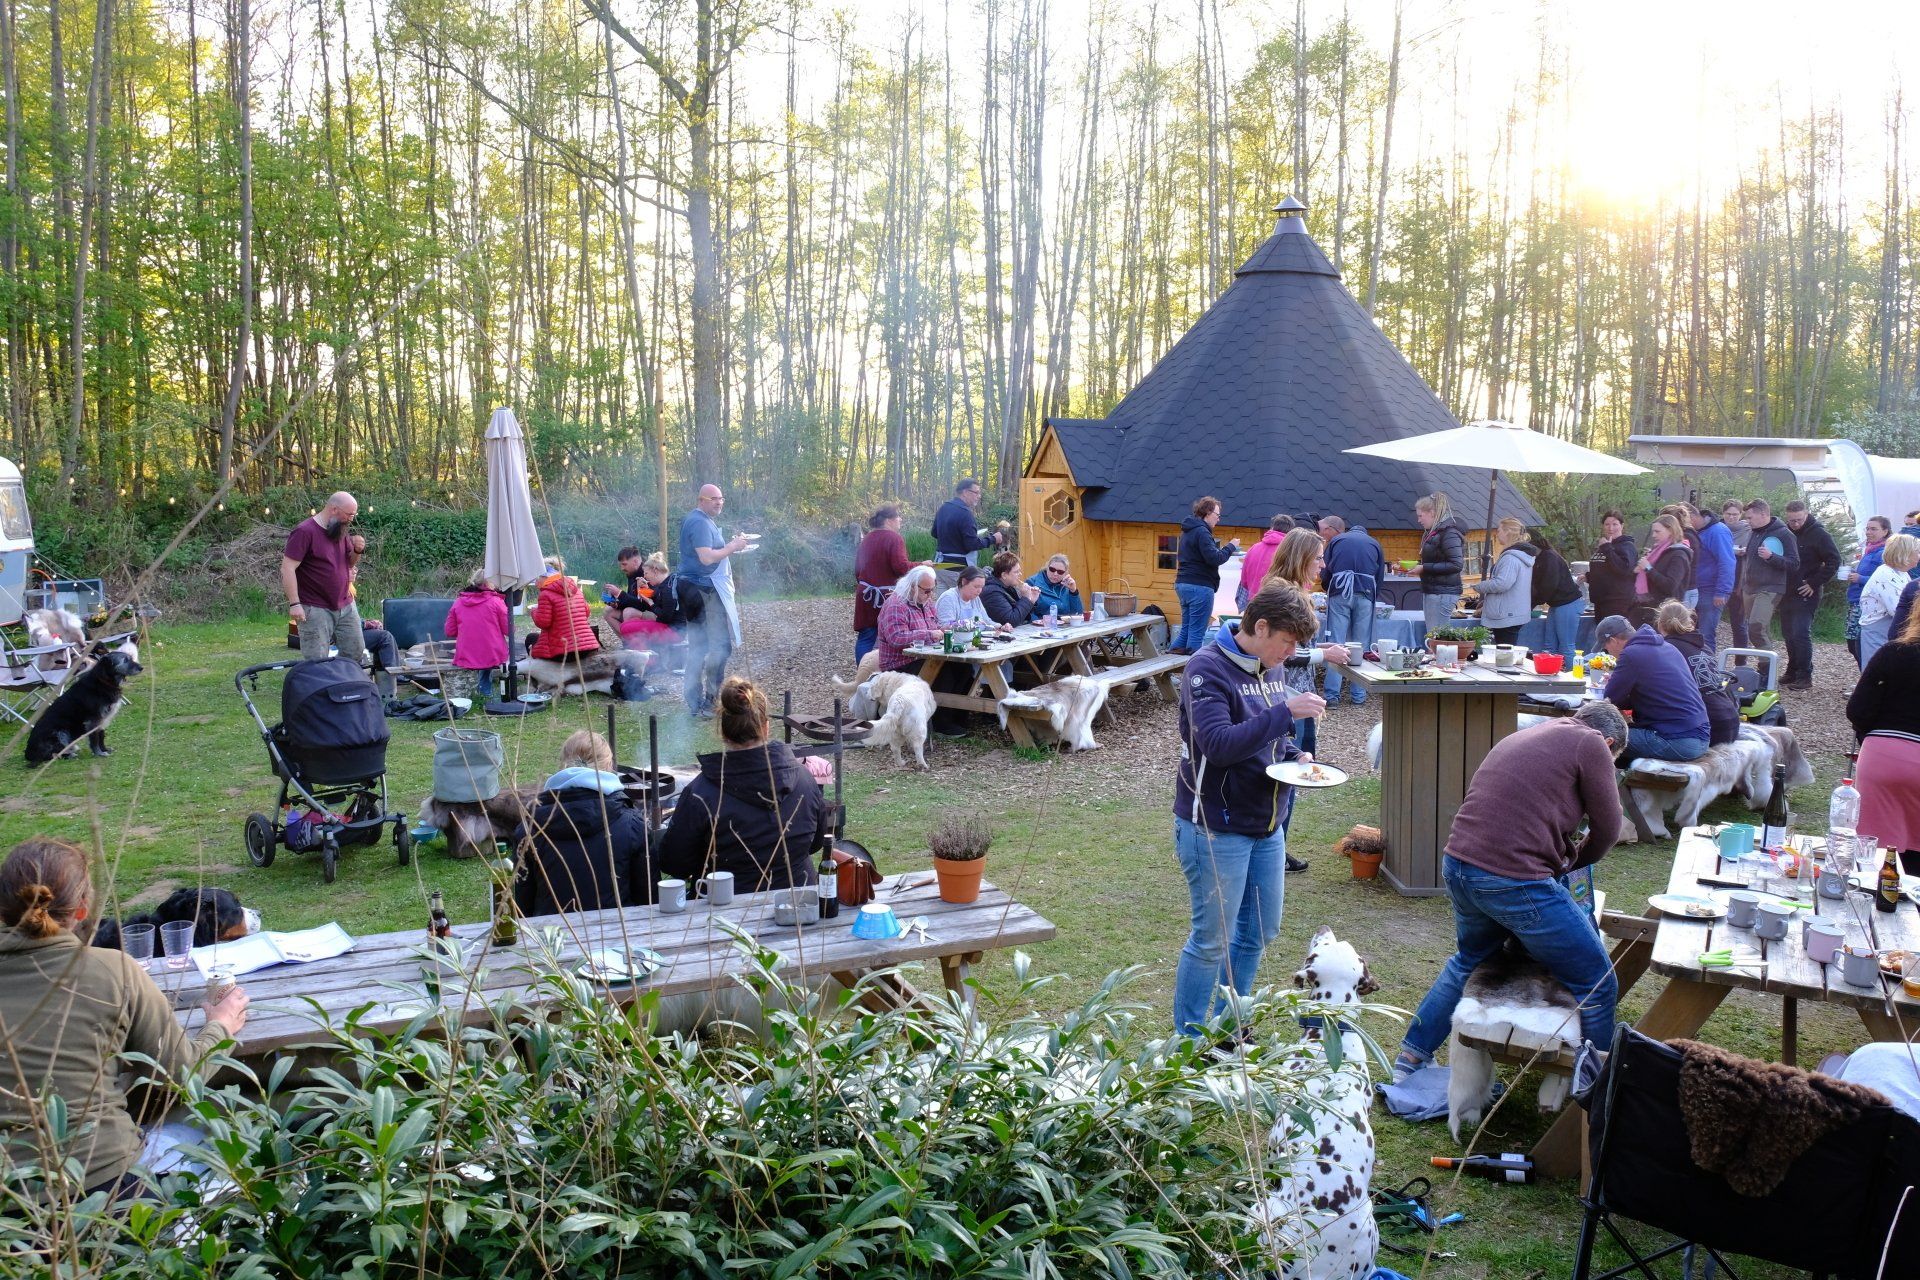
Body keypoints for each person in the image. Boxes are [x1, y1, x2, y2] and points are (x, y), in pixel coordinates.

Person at [0, 836, 251, 1198]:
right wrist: (221, 1025)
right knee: (218, 1143)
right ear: (83, 909)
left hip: (11, 1203)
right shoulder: (113, 970)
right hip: (108, 1187)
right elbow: (184, 1076)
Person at [1390, 701, 1628, 1080]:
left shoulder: (1532, 733)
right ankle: (1597, 1090)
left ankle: (1411, 1058)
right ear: (1610, 742)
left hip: (1459, 864)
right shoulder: (1593, 743)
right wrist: (1573, 864)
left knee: (1470, 961)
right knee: (1597, 983)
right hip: (1513, 879)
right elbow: (1609, 829)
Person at [1171, 583, 1324, 1038]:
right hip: (1215, 826)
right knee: (1211, 939)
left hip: (1267, 824)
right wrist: (1286, 714)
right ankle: (1190, 1042)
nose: (1291, 652)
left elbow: (1267, 735)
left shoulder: (1268, 666)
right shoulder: (1206, 668)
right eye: (1288, 641)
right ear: (1260, 627)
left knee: (1259, 931)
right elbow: (1218, 745)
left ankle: (1227, 1026)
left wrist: (1295, 753)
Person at [658, 678, 829, 893]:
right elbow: (815, 843)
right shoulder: (805, 779)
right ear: (766, 728)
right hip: (798, 899)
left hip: (724, 905)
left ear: (723, 733)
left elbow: (675, 864)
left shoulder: (700, 793)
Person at [1262, 529, 1351, 867]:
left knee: (1294, 772)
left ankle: (1276, 849)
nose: (1322, 564)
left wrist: (1321, 648)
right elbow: (1280, 652)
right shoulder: (1281, 593)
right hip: (1285, 696)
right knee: (1286, 772)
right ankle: (1273, 852)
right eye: (1318, 558)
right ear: (1300, 558)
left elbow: (1297, 646)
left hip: (1298, 694)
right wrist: (1323, 656)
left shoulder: (1293, 590)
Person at [513, 731, 653, 915]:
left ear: (563, 764)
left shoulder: (528, 830)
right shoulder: (633, 825)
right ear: (609, 766)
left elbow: (523, 906)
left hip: (552, 931)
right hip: (619, 930)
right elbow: (650, 900)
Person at [1847, 605, 1920, 876]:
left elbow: (1858, 710)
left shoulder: (1894, 652)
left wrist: (1873, 737)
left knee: (1873, 856)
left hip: (1884, 756)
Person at [1593, 613, 1710, 764]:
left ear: (1614, 641)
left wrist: (1616, 684)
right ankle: (1625, 777)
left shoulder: (1630, 654)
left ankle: (1610, 779)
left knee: (1596, 738)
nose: (1607, 652)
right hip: (1701, 735)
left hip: (1678, 740)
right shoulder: (1667, 647)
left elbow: (1609, 700)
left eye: (1605, 648)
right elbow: (1655, 694)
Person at [678, 483, 752, 717]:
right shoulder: (699, 522)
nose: (719, 502)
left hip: (697, 588)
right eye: (714, 499)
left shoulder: (701, 520)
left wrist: (732, 546)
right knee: (718, 647)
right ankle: (707, 702)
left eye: (721, 498)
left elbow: (711, 551)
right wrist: (732, 546)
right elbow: (707, 558)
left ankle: (696, 701)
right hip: (702, 590)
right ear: (701, 500)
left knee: (699, 646)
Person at [877, 565, 970, 736]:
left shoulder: (925, 602)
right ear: (913, 586)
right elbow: (896, 638)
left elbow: (935, 625)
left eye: (932, 590)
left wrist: (945, 629)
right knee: (944, 673)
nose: (930, 595)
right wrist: (928, 634)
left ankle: (957, 717)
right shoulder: (896, 605)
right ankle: (941, 723)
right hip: (899, 663)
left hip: (925, 656)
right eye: (926, 591)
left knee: (964, 668)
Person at [281, 490, 366, 665]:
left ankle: (345, 681)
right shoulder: (304, 531)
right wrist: (295, 604)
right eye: (349, 514)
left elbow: (349, 563)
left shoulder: (339, 529)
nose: (351, 519)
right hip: (315, 607)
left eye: (354, 515)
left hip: (345, 604)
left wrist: (357, 550)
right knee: (317, 660)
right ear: (334, 509)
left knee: (355, 651)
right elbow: (287, 568)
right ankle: (321, 682)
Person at [1318, 516, 1384, 705]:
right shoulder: (1375, 543)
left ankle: (1332, 696)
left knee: (1335, 643)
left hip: (1340, 592)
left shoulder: (1337, 541)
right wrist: (1373, 595)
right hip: (1366, 592)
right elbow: (1380, 576)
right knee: (1361, 645)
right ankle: (1358, 695)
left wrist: (1328, 588)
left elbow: (1325, 569)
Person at [1654, 601, 1741, 747]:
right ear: (1690, 622)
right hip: (1731, 721)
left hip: (1706, 727)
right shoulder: (1704, 647)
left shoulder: (1664, 650)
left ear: (1659, 625)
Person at [1780, 500, 1840, 691]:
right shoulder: (1786, 532)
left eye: (1799, 519)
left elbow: (1834, 560)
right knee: (1788, 633)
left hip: (1807, 590)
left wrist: (1815, 582)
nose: (1795, 524)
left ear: (1806, 514)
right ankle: (1792, 669)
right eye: (1792, 520)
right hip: (1786, 590)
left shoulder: (1819, 534)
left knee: (1800, 632)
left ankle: (1804, 675)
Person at [1173, 496, 1239, 653]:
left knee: (1185, 631)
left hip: (1183, 584)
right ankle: (1193, 668)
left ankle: (1167, 664)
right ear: (1208, 513)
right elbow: (1215, 558)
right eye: (1217, 515)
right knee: (1197, 635)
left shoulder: (1188, 530)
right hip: (1199, 587)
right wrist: (1231, 546)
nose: (1218, 519)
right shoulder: (1202, 532)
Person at [853, 505, 913, 663]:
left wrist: (867, 584)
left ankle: (863, 673)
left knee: (866, 636)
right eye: (898, 516)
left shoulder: (867, 538)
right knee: (890, 634)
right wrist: (922, 566)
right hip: (886, 596)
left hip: (865, 594)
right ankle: (890, 667)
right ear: (888, 520)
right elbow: (901, 567)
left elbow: (857, 569)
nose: (900, 519)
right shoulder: (894, 538)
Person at [606, 549, 696, 652]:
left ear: (655, 571)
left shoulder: (668, 588)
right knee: (626, 625)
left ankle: (648, 657)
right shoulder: (664, 584)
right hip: (667, 625)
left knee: (626, 628)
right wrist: (648, 593)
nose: (644, 577)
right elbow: (658, 601)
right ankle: (643, 653)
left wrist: (651, 603)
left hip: (674, 631)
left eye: (646, 573)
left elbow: (665, 618)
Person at [1741, 498, 1800, 655]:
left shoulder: (1784, 534)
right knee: (1760, 630)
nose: (1747, 521)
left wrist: (1771, 557)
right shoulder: (1753, 532)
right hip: (1749, 587)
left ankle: (1767, 665)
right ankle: (1767, 664)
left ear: (1763, 514)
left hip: (1770, 587)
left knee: (1756, 627)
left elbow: (1794, 563)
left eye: (1750, 517)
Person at [1465, 518, 1536, 646]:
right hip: (1513, 611)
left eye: (1499, 531)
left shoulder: (1510, 558)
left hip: (1506, 614)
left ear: (1508, 532)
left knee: (1504, 653)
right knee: (1506, 651)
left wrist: (1480, 586)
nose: (1497, 534)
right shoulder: (1521, 556)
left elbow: (1502, 584)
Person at [444, 569, 510, 698]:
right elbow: (509, 630)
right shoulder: (496, 602)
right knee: (490, 657)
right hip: (492, 653)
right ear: (489, 583)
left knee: (481, 660)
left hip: (466, 654)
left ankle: (477, 694)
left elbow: (449, 631)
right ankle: (486, 694)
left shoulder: (458, 602)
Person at [1859, 534, 1920, 671]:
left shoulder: (1902, 573)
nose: (1919, 556)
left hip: (1888, 628)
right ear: (1905, 553)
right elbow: (1898, 609)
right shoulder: (1886, 575)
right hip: (1878, 630)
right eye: (1917, 552)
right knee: (1876, 670)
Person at [930, 478, 1003, 589]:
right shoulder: (966, 513)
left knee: (943, 600)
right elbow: (972, 544)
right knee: (963, 600)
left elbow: (934, 533)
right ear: (965, 492)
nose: (979, 496)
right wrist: (993, 539)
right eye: (976, 492)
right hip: (958, 571)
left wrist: (953, 538)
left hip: (940, 567)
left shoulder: (943, 508)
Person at [528, 555, 600, 662]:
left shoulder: (545, 594)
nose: (535, 582)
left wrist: (534, 611)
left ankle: (539, 671)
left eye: (536, 578)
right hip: (587, 647)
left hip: (564, 652)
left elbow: (543, 623)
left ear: (545, 576)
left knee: (530, 638)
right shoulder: (576, 590)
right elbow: (587, 612)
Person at [1529, 529, 1585, 663]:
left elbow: (1549, 585)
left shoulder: (1549, 557)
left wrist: (1532, 603)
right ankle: (1551, 673)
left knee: (1566, 647)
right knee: (1549, 647)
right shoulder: (1538, 558)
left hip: (1568, 603)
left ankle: (1573, 675)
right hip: (1556, 605)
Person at [1415, 492, 1469, 630]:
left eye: (1420, 516)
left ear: (1431, 513)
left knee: (1436, 634)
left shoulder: (1449, 533)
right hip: (1435, 591)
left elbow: (1456, 564)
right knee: (1434, 634)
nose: (1419, 520)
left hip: (1442, 593)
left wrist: (1424, 568)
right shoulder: (1437, 532)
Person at [1629, 514, 1693, 627]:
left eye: (1657, 532)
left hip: (1664, 613)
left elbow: (1670, 586)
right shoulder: (1657, 552)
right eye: (1653, 531)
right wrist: (1637, 571)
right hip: (1644, 607)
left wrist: (1648, 568)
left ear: (1671, 531)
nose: (1653, 535)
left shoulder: (1679, 555)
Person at [1845, 515, 1892, 667]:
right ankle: (1866, 675)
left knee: (1859, 644)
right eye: (1867, 528)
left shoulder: (1884, 553)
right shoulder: (1870, 549)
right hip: (1856, 600)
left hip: (1867, 604)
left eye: (1873, 529)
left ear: (1885, 531)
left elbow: (1883, 580)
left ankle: (1869, 675)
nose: (1868, 532)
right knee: (1853, 643)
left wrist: (1860, 578)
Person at [1689, 504, 1736, 653]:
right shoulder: (1697, 531)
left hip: (1710, 590)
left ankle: (1708, 666)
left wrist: (1722, 591)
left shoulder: (1718, 531)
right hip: (1696, 589)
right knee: (1692, 635)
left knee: (1706, 635)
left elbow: (1727, 562)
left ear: (1692, 517)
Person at [1585, 510, 1639, 626]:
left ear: (1622, 526)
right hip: (1600, 602)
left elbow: (1624, 570)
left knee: (1614, 636)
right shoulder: (1603, 546)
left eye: (1615, 524)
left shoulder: (1627, 546)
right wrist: (1588, 577)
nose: (1611, 528)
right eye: (1607, 524)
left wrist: (1607, 548)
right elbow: (1605, 571)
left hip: (1617, 603)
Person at [1238, 516, 1292, 609]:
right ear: (1290, 531)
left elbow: (1244, 581)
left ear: (1272, 527)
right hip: (1279, 604)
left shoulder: (1254, 548)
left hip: (1254, 601)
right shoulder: (1290, 552)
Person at [1720, 499, 1752, 649]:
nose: (1731, 517)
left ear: (1741, 514)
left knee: (1739, 624)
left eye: (1735, 514)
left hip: (1739, 581)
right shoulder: (1718, 530)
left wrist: (1746, 551)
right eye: (1728, 514)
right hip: (1719, 581)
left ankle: (1741, 659)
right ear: (1723, 514)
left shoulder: (1748, 531)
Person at [982, 551, 1043, 626]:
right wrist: (1026, 598)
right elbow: (1011, 620)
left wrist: (1031, 600)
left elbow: (1022, 616)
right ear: (1004, 575)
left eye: (1019, 571)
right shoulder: (992, 592)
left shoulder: (1008, 586)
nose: (1020, 574)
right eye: (1016, 572)